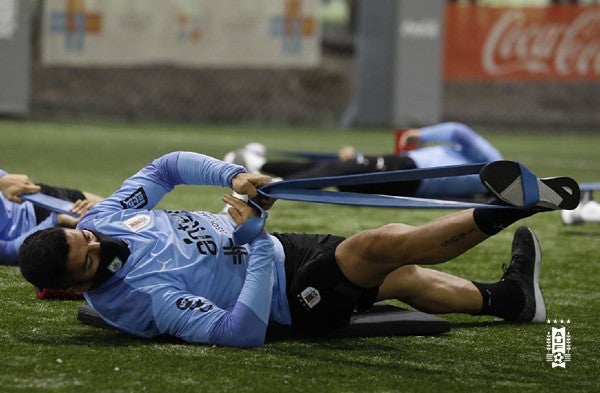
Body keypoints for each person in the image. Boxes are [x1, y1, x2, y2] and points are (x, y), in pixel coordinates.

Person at [18, 151, 579, 347]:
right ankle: (520, 205)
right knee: (377, 247)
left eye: (84, 233)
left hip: (281, 247)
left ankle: (510, 300)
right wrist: (255, 244)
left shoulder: (107, 218)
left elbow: (166, 166)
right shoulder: (140, 301)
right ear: (75, 285)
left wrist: (235, 178)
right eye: (87, 256)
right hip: (290, 298)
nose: (96, 240)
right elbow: (240, 333)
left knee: (401, 275)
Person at [225, 122, 503, 199]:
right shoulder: (485, 190)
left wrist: (419, 134)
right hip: (409, 184)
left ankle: (268, 183)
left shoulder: (494, 160)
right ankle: (259, 165)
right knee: (341, 169)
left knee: (336, 170)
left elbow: (459, 131)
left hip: (409, 169)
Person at [0, 169, 101, 265]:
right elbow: (7, 252)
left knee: (109, 205)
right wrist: (56, 220)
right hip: (39, 230)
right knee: (103, 236)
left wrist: (2, 178)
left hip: (35, 195)